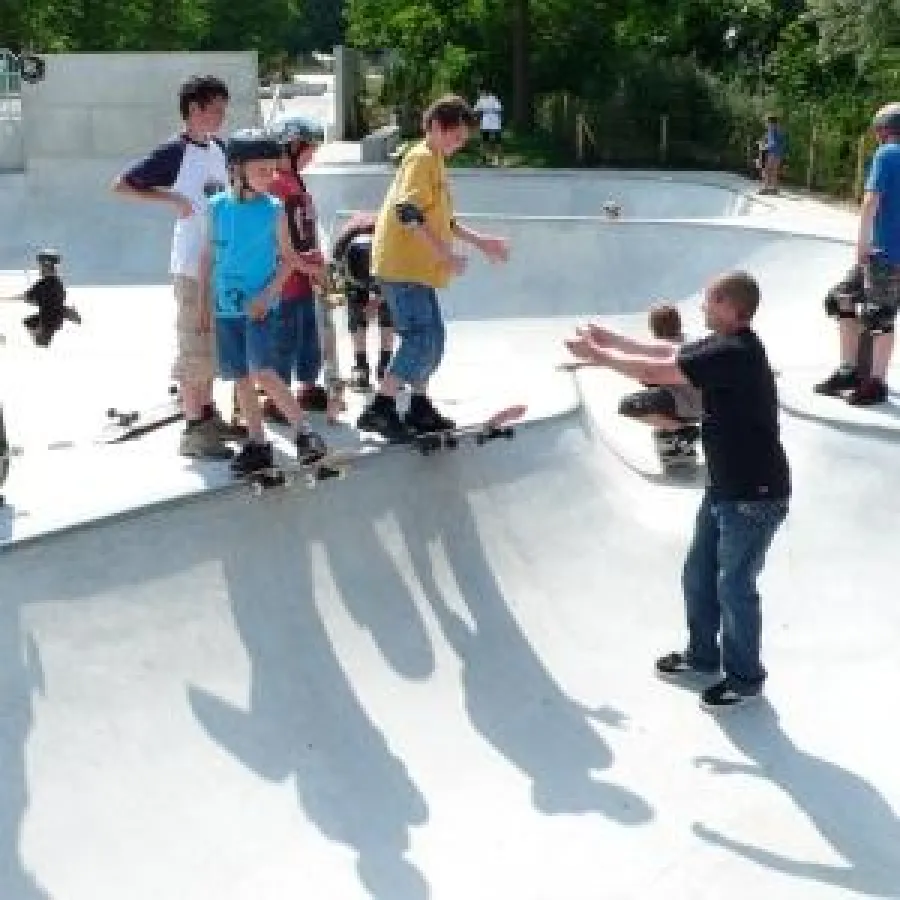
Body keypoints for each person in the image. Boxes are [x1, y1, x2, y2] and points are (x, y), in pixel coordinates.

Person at [564, 271, 790, 710]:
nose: (702, 308)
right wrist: (610, 340)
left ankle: (745, 681)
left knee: (735, 587)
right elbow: (664, 350)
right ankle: (703, 656)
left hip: (754, 496)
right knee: (698, 573)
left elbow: (655, 370)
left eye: (708, 301)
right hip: (724, 489)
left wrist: (598, 356)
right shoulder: (721, 343)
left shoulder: (737, 352)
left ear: (727, 305)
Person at [356, 94, 511, 441]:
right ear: (437, 127)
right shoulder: (421, 159)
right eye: (455, 138)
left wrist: (482, 242)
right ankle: (380, 408)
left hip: (417, 270)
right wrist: (445, 254)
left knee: (435, 338)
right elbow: (408, 212)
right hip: (402, 266)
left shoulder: (437, 161)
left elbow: (445, 220)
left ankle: (419, 406)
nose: (458, 146)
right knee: (419, 337)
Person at [112, 74, 244, 458]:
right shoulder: (175, 151)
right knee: (193, 344)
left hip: (220, 264)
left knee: (211, 346)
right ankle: (193, 429)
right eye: (214, 109)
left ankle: (207, 414)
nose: (220, 116)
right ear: (193, 110)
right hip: (190, 264)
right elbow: (122, 184)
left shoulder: (220, 149)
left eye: (223, 109)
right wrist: (171, 199)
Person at [200, 128, 327, 476]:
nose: (270, 178)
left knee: (263, 372)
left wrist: (267, 296)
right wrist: (202, 303)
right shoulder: (216, 208)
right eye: (262, 171)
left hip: (260, 308)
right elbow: (208, 257)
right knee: (240, 377)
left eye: (273, 170)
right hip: (226, 308)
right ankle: (257, 443)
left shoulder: (274, 209)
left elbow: (288, 259)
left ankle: (305, 433)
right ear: (236, 171)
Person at [814, 102, 900, 406]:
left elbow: (870, 202)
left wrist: (861, 245)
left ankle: (876, 382)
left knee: (880, 316)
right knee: (840, 298)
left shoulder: (887, 153)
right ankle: (849, 371)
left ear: (882, 131)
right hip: (885, 253)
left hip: (884, 254)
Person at [266, 114, 329, 418]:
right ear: (290, 147)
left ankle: (307, 386)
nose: (312, 156)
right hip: (286, 279)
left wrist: (316, 260)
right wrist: (303, 264)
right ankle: (277, 396)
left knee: (308, 336)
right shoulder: (277, 184)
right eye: (309, 150)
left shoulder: (295, 183)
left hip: (304, 277)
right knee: (283, 341)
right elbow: (279, 238)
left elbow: (305, 226)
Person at [617, 303, 702, 465]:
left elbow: (645, 376)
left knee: (628, 405)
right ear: (679, 323)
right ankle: (679, 436)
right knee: (655, 392)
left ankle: (682, 431)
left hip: (688, 408)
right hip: (709, 407)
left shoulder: (662, 350)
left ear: (654, 329)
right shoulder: (695, 341)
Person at [331, 211, 395, 391]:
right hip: (352, 270)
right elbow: (334, 272)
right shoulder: (343, 247)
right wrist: (335, 293)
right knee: (356, 313)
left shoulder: (390, 246)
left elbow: (397, 279)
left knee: (387, 312)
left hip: (388, 268)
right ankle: (361, 367)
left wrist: (378, 299)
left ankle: (385, 366)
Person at [0, 249, 81, 347]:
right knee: (28, 324)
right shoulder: (57, 283)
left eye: (41, 266)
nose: (40, 269)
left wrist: (6, 298)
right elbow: (37, 298)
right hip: (53, 319)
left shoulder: (45, 284)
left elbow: (29, 296)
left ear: (47, 267)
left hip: (47, 321)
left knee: (38, 340)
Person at [757, 114, 786, 195]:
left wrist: (764, 147)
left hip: (773, 152)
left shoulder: (774, 130)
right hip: (778, 153)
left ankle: (765, 188)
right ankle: (774, 189)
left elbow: (773, 143)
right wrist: (763, 142)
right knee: (773, 171)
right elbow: (767, 139)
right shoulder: (777, 130)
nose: (767, 124)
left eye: (768, 122)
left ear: (771, 123)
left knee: (767, 170)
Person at [474, 88, 503, 165]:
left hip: (494, 122)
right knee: (484, 141)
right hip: (486, 122)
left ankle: (499, 159)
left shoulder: (493, 98)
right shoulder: (481, 99)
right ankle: (484, 158)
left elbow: (499, 109)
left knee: (497, 141)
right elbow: (476, 110)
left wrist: (483, 110)